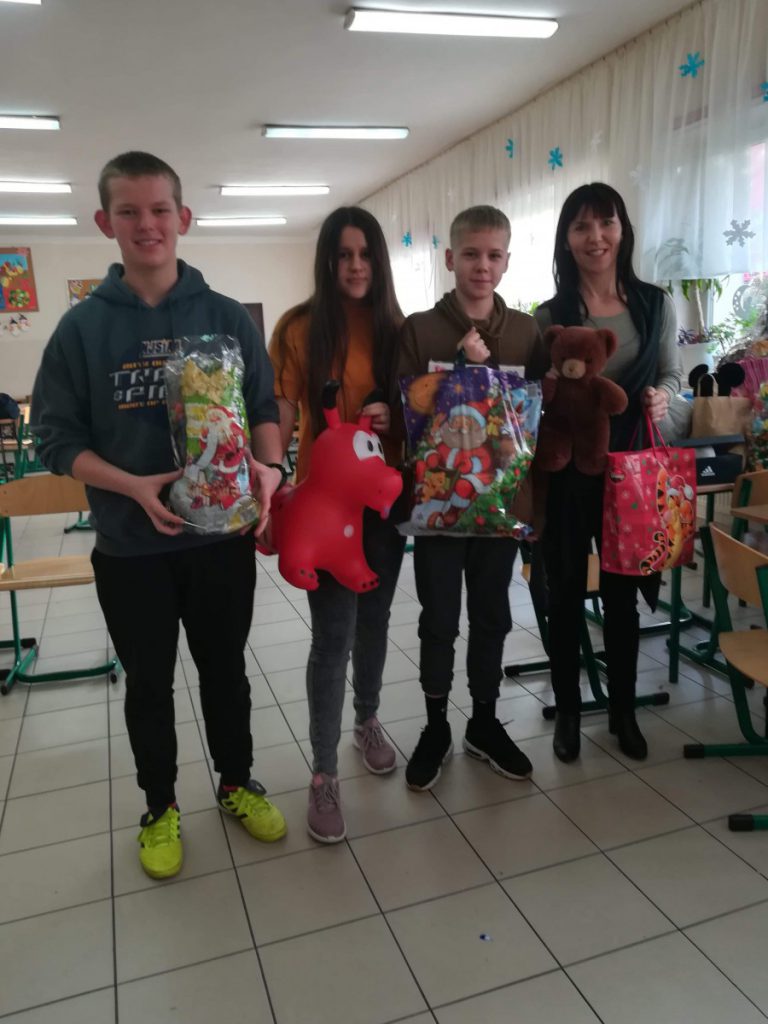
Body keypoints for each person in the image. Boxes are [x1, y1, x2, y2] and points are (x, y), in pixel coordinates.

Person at [31, 151, 288, 879]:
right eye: (129, 211)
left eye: (159, 210)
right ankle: (160, 806)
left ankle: (236, 782)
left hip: (220, 541)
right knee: (148, 685)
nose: (147, 224)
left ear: (184, 217)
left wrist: (271, 468)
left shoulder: (225, 317)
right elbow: (56, 440)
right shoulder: (81, 330)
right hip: (129, 544)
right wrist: (132, 486)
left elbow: (263, 409)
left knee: (226, 672)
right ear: (104, 221)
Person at [268, 206, 406, 843]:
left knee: (375, 621)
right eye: (344, 254)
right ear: (327, 260)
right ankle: (323, 774)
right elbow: (281, 408)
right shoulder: (299, 328)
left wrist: (393, 415)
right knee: (332, 638)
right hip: (325, 515)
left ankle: (367, 720)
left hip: (382, 505)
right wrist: (271, 477)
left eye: (366, 254)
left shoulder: (397, 329)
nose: (356, 266)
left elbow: (421, 407)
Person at [398, 204, 546, 791]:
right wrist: (461, 368)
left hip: (499, 508)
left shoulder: (527, 332)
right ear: (449, 258)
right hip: (438, 508)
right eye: (470, 254)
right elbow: (410, 415)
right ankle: (436, 725)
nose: (482, 266)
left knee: (492, 617)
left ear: (506, 261)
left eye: (493, 255)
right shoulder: (420, 329)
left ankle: (484, 721)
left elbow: (534, 421)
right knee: (438, 619)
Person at [534, 181, 682, 763]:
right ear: (567, 239)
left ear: (623, 230)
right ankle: (569, 711)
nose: (595, 237)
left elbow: (672, 373)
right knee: (566, 591)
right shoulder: (550, 316)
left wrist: (664, 397)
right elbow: (535, 398)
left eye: (606, 222)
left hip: (633, 473)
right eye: (581, 226)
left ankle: (623, 710)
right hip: (570, 474)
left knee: (622, 597)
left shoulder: (655, 304)